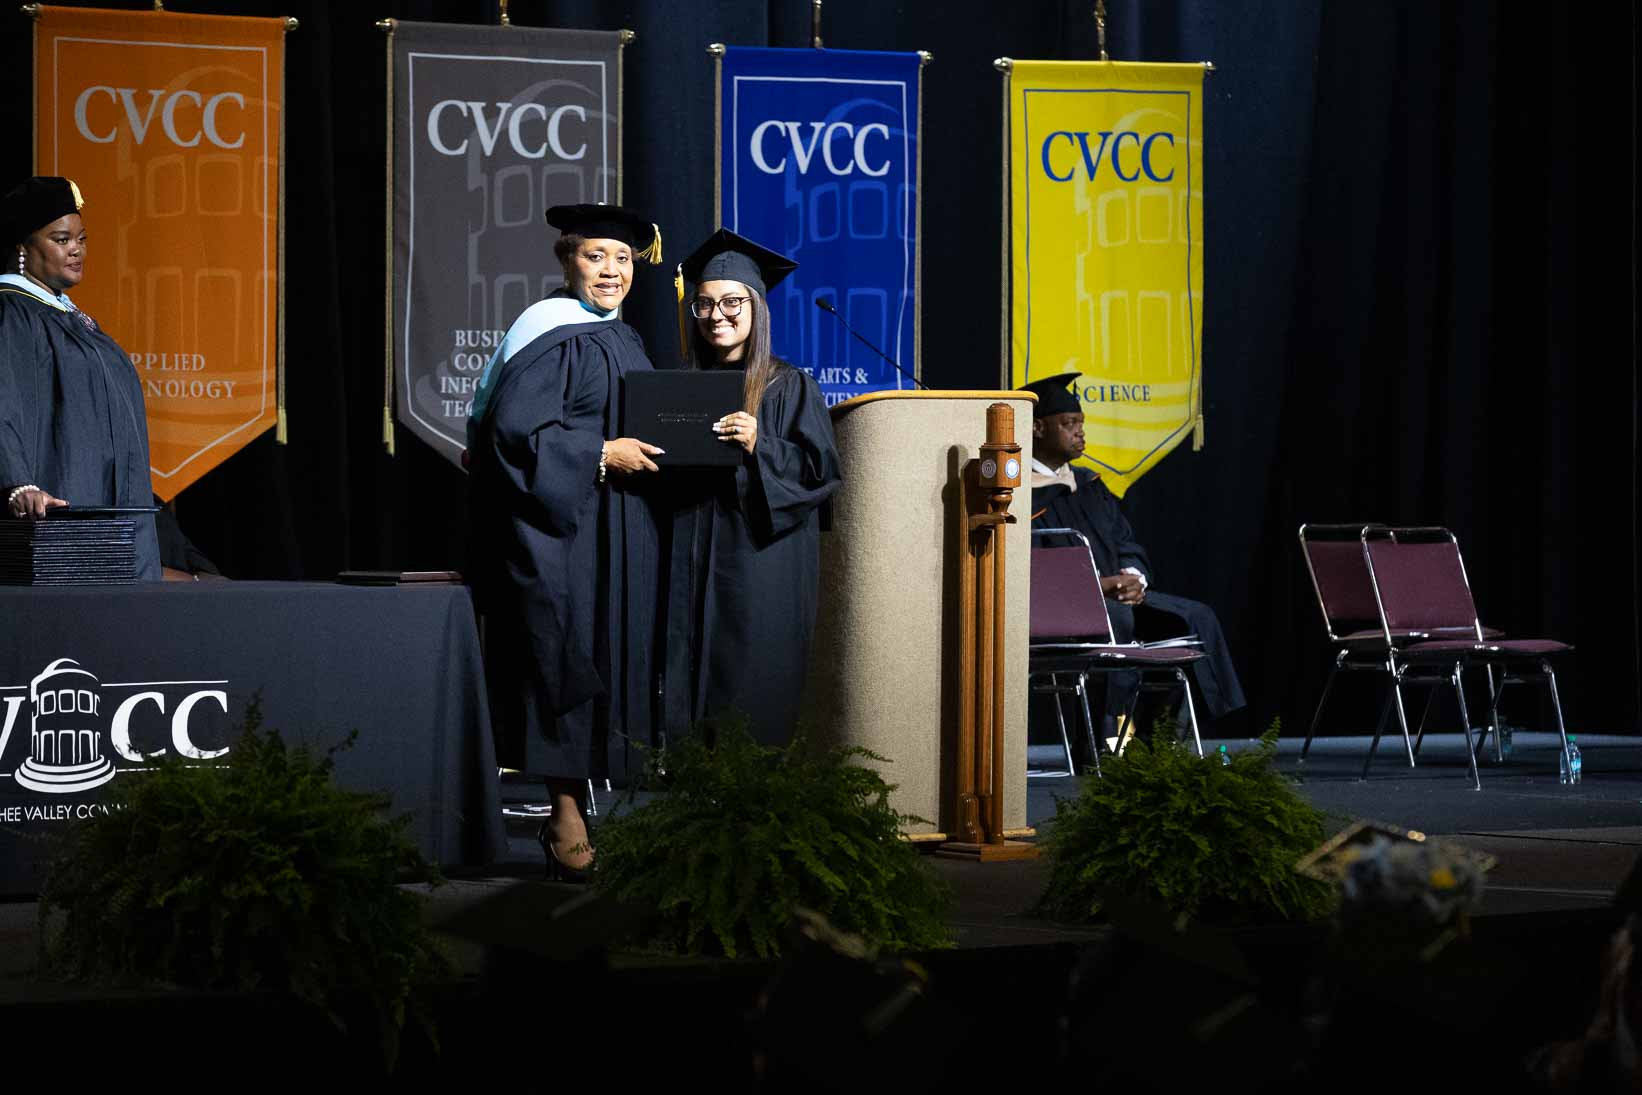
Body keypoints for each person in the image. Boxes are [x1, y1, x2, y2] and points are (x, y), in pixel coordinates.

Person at [466, 203, 666, 881]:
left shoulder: (623, 337)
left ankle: (594, 804)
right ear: (567, 260)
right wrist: (601, 453)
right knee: (563, 659)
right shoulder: (548, 333)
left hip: (618, 527)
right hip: (560, 532)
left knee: (608, 654)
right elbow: (513, 437)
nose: (611, 271)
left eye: (623, 259)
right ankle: (565, 812)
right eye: (595, 256)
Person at [663, 229, 842, 746]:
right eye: (704, 304)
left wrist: (761, 443)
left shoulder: (790, 386)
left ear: (756, 308)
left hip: (757, 561)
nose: (716, 315)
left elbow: (820, 473)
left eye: (731, 302)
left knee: (750, 688)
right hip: (690, 555)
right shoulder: (678, 388)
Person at [1023, 372, 1245, 740]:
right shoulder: (1021, 493)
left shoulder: (1089, 484)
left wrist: (1133, 577)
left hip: (1116, 600)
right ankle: (1104, 743)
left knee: (1193, 620)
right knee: (1118, 617)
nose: (1080, 432)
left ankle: (1157, 745)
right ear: (1037, 428)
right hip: (1064, 611)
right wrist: (1100, 587)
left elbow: (1126, 541)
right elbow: (1031, 568)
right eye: (1069, 423)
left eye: (1081, 423)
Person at [0, 176, 159, 579]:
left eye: (81, 239)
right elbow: (3, 403)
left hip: (113, 507)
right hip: (61, 500)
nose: (76, 250)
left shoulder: (72, 317)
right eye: (61, 239)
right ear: (23, 248)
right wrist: (17, 483)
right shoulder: (13, 314)